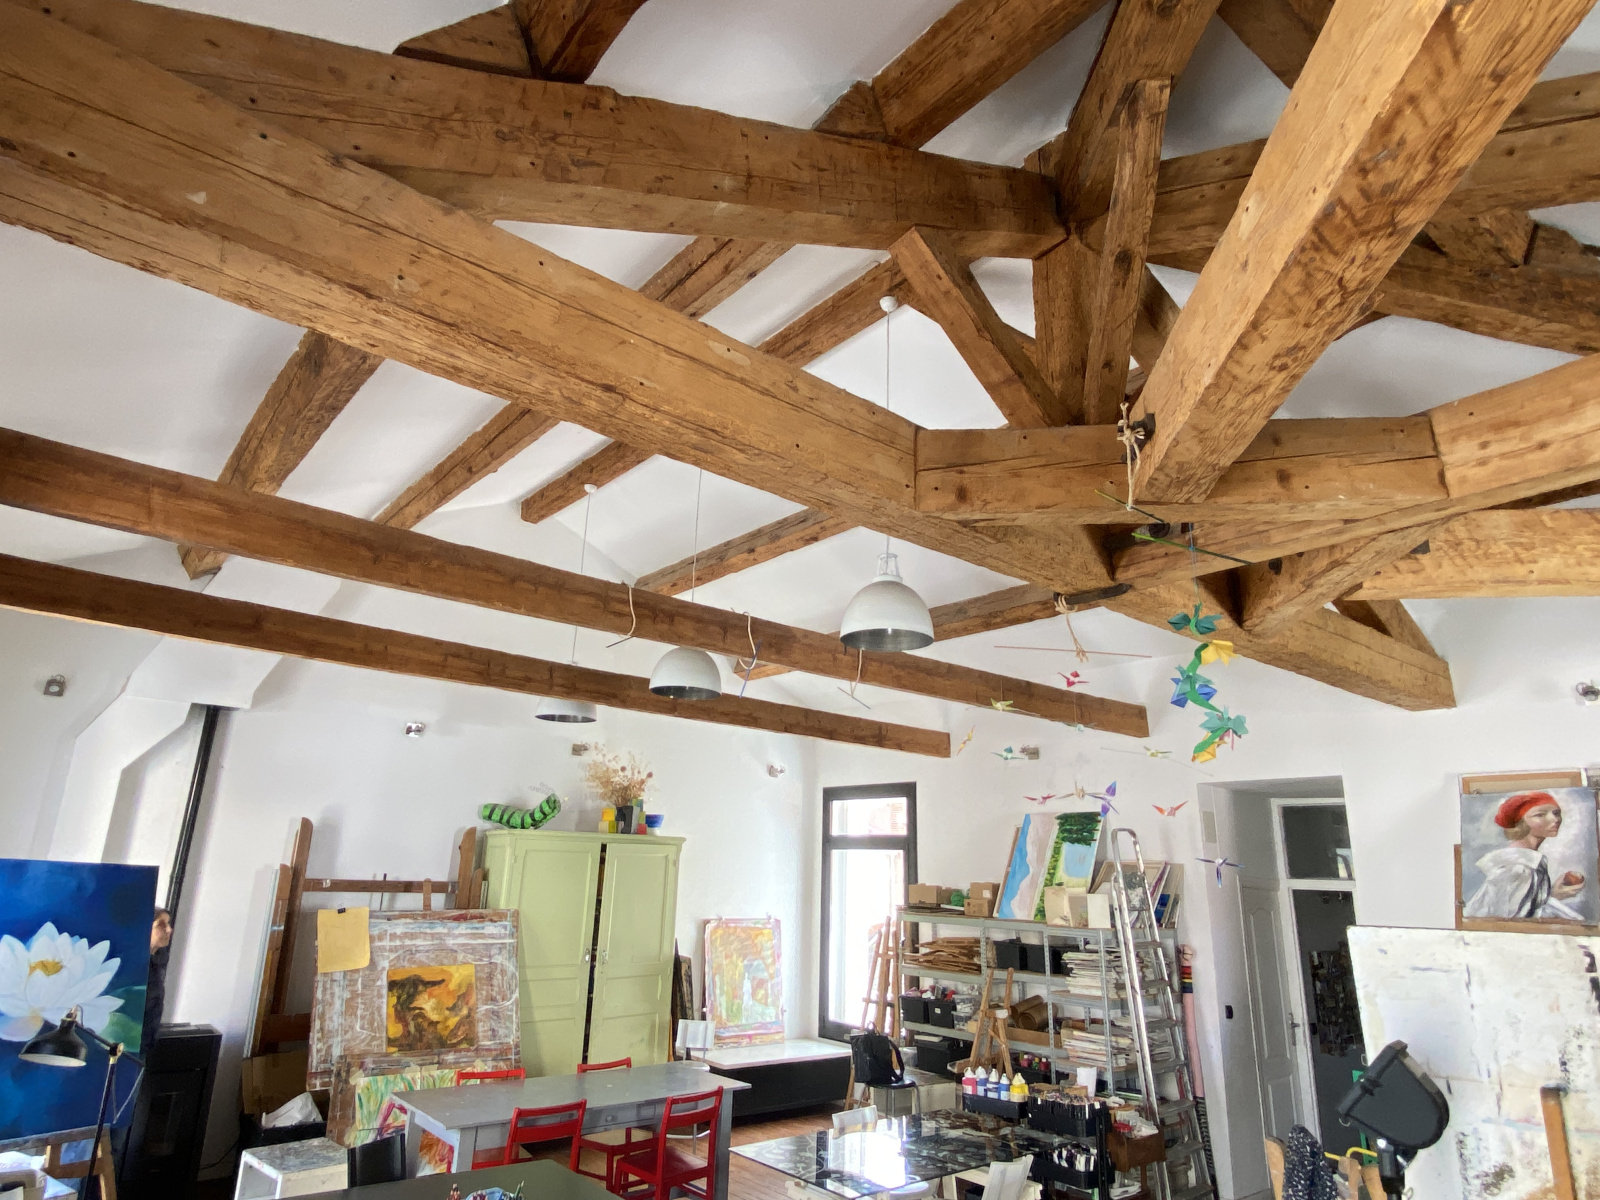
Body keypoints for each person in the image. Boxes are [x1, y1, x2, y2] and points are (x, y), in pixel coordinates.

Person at [1463, 792, 1586, 920]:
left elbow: (1525, 911)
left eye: (1556, 813)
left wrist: (1554, 895)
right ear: (1521, 822)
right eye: (1540, 814)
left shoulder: (1530, 863)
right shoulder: (1518, 868)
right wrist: (1554, 899)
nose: (1555, 819)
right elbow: (1510, 923)